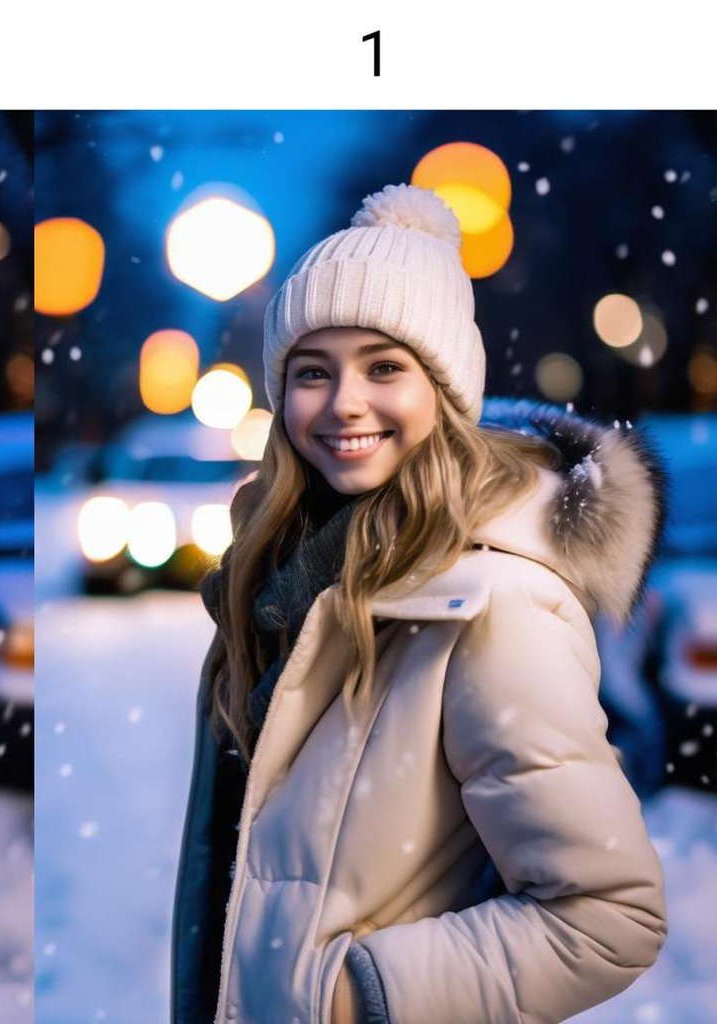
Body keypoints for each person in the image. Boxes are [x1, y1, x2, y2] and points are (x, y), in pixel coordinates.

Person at [169, 184, 669, 1023]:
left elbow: (610, 916)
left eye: (385, 366)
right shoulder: (277, 582)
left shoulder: (494, 602)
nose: (344, 402)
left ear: (446, 392)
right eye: (312, 372)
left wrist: (354, 998)